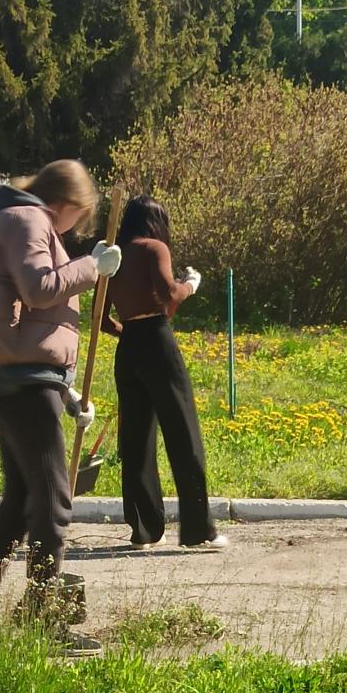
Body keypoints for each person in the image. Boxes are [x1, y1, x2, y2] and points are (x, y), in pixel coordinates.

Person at [0, 159, 121, 651]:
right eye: (79, 216)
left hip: (21, 374)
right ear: (67, 205)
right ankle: (42, 623)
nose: (76, 227)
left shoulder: (16, 220)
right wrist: (92, 268)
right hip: (21, 378)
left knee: (20, 503)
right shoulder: (28, 220)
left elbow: (32, 307)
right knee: (52, 499)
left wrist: (65, 387)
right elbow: (38, 289)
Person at [101, 194, 226, 551]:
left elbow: (98, 313)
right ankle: (198, 530)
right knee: (183, 433)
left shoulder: (115, 254)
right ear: (157, 222)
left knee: (136, 441)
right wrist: (191, 284)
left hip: (128, 350)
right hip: (157, 341)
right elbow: (168, 294)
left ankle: (144, 529)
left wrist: (124, 330)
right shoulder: (155, 247)